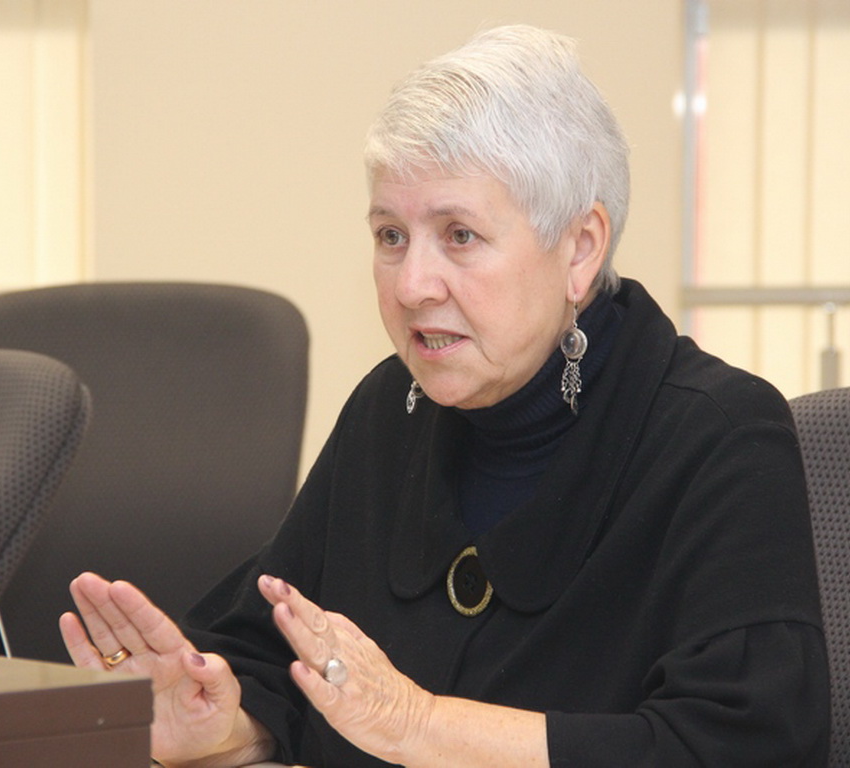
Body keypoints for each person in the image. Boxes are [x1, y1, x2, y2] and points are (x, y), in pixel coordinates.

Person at [59, 25, 830, 767]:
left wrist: (417, 726)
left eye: (459, 235)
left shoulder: (720, 435)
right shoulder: (389, 408)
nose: (412, 286)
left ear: (580, 248)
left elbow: (745, 746)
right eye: (390, 236)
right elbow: (275, 662)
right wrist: (218, 728)